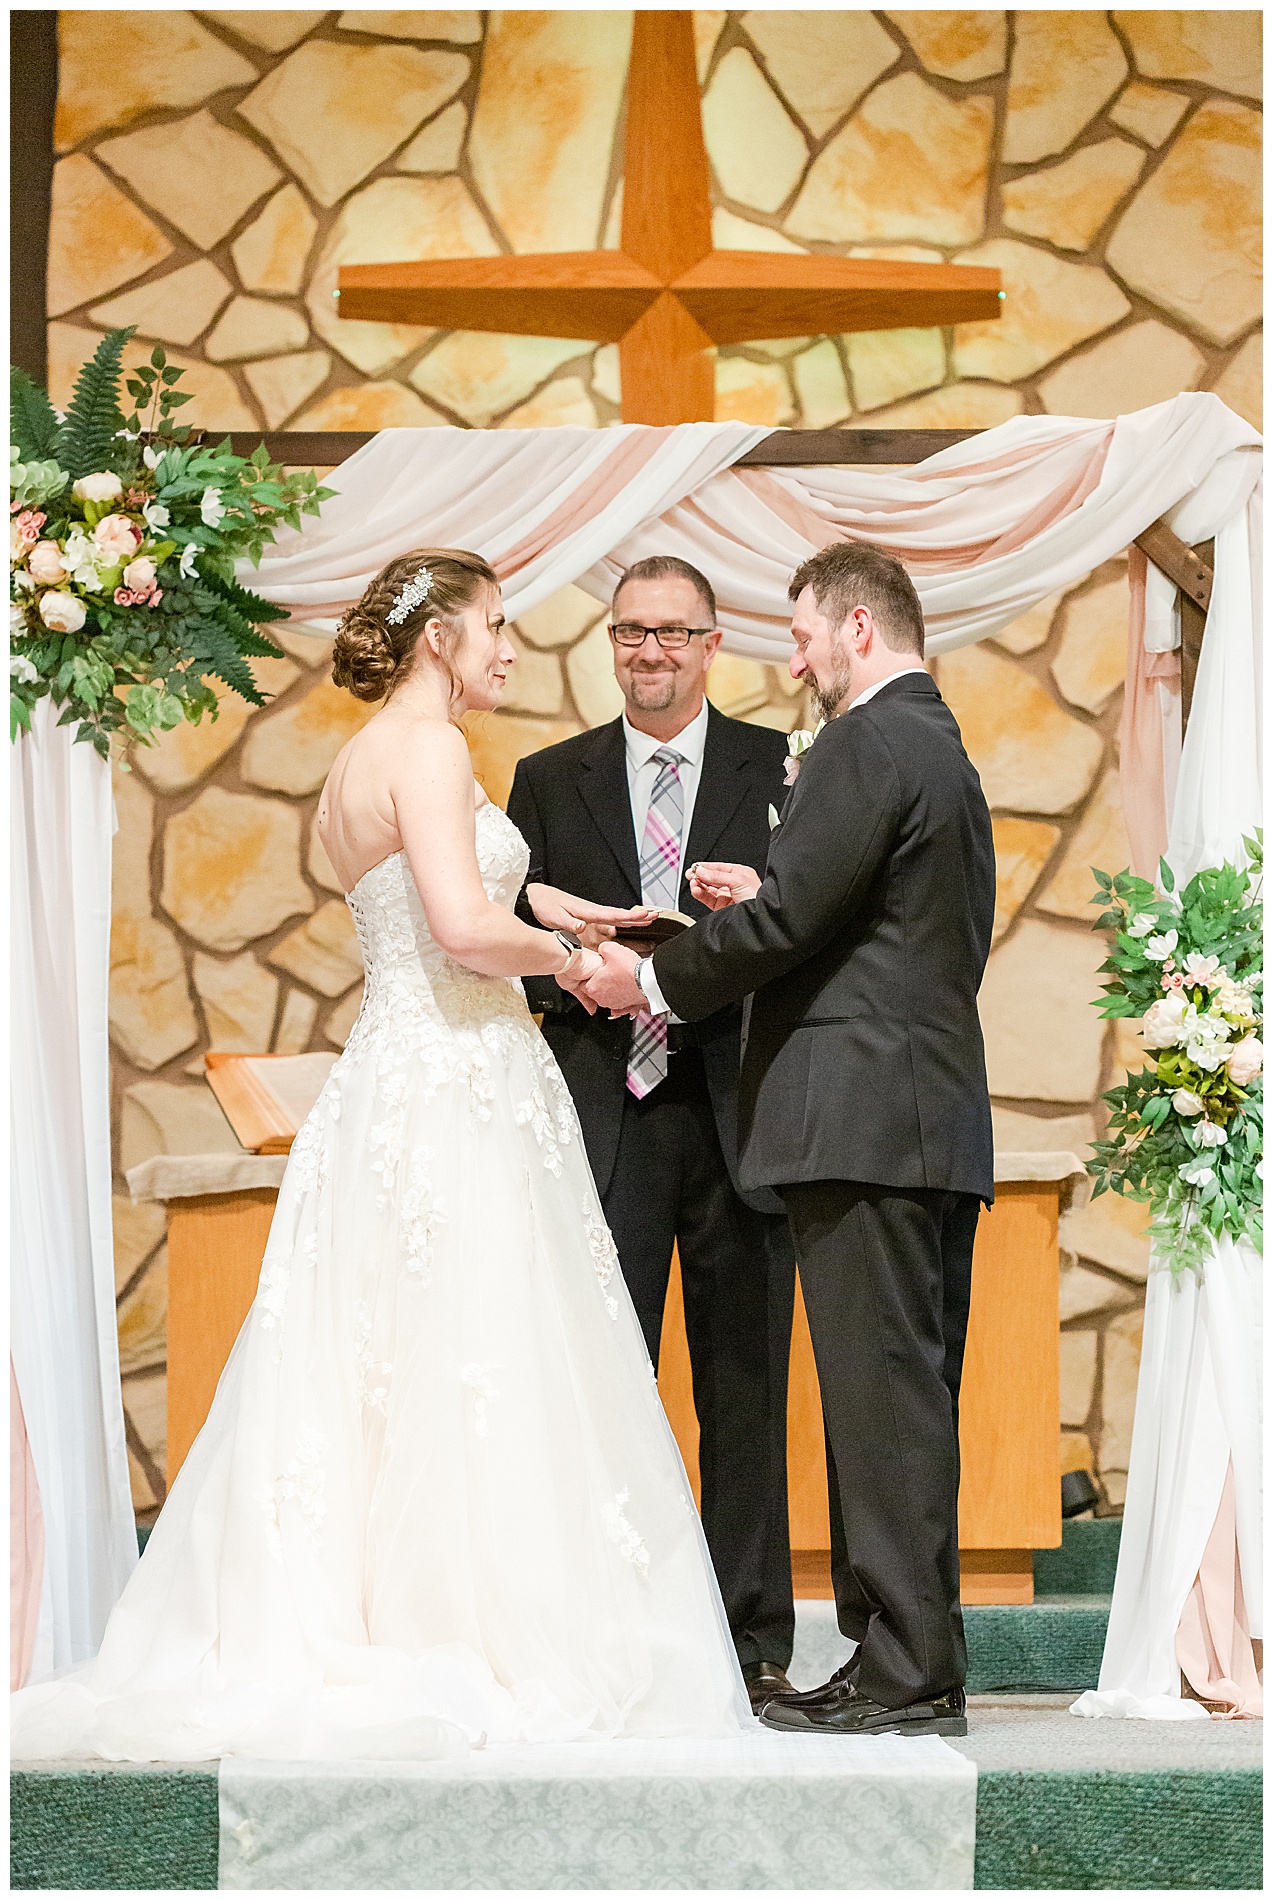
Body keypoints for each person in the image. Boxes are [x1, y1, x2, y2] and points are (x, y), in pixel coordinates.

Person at [11, 549, 752, 1762]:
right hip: (463, 1080)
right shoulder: (435, 749)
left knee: (381, 1366)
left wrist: (554, 904)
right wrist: (587, 967)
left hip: (390, 1081)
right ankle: (480, 1633)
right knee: (482, 1353)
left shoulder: (354, 763)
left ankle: (369, 1610)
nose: (511, 649)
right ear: (436, 642)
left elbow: (411, 898)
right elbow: (459, 928)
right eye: (495, 628)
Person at [583, 541, 996, 1740]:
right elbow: (867, 916)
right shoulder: (935, 742)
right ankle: (901, 1653)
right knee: (897, 1395)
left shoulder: (872, 737)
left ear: (858, 626)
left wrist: (652, 978)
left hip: (863, 1119)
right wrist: (761, 893)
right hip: (906, 1110)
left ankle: (909, 1666)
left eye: (805, 632)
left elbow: (799, 917)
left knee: (883, 1401)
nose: (797, 653)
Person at [506, 557, 798, 1713]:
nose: (652, 653)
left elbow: (808, 924)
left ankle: (750, 1642)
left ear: (713, 643)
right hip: (605, 1119)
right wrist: (575, 976)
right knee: (602, 1385)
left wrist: (745, 914)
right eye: (633, 632)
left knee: (744, 1387)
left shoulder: (777, 767)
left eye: (675, 633)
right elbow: (511, 946)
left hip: (737, 1110)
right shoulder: (547, 776)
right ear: (611, 641)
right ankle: (608, 1631)